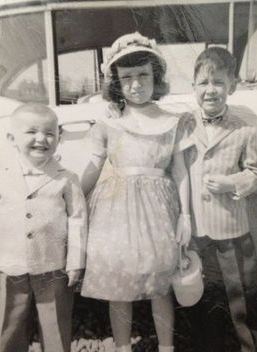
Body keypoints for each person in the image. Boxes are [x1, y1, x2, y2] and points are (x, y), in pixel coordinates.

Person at [80, 32, 193, 352]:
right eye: (126, 78)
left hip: (159, 211)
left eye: (143, 75)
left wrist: (185, 215)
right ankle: (121, 347)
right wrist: (71, 198)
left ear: (155, 76)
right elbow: (93, 166)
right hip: (117, 212)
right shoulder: (109, 123)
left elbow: (181, 171)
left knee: (161, 283)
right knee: (119, 283)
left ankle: (167, 347)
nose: (136, 84)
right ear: (116, 82)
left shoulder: (172, 122)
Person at [0, 103, 87, 352]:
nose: (41, 139)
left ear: (59, 137)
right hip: (11, 263)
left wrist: (76, 260)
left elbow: (78, 220)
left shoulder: (66, 178)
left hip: (54, 264)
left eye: (49, 133)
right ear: (12, 138)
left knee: (55, 322)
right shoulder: (0, 175)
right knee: (9, 322)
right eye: (31, 132)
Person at [185, 47, 257, 352]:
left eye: (218, 82)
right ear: (193, 87)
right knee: (202, 294)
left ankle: (252, 346)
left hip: (232, 230)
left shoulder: (243, 129)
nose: (211, 90)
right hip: (197, 231)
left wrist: (230, 182)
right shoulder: (184, 123)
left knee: (242, 293)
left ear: (232, 86)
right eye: (204, 83)